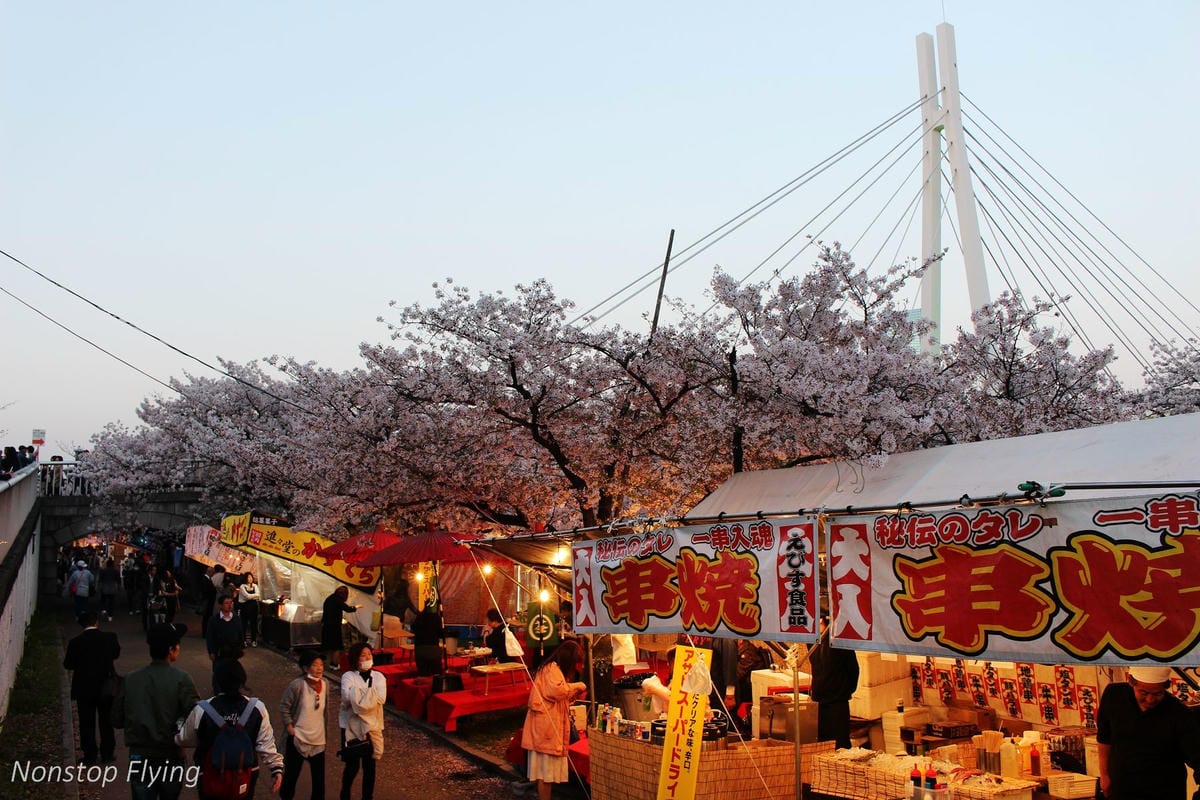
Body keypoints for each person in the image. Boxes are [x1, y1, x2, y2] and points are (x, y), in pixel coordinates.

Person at [176, 658, 284, 798]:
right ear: (242, 680)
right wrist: (276, 769)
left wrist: (178, 727)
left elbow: (184, 739)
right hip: (245, 777)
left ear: (217, 682)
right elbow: (266, 743)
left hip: (210, 776)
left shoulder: (202, 709)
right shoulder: (257, 708)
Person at [121, 622, 200, 800]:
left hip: (139, 754)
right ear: (171, 649)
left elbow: (116, 718)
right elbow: (195, 716)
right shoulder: (182, 679)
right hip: (170, 753)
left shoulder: (131, 679)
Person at [1097, 666, 1200, 800]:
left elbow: (1197, 757)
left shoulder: (1179, 714)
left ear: (1166, 687)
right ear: (1130, 681)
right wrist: (1104, 775)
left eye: (1158, 694)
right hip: (1121, 787)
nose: (1150, 699)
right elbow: (1104, 737)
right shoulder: (1114, 695)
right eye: (1144, 693)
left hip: (1164, 791)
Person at [521, 639, 587, 800]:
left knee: (544, 771)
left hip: (545, 725)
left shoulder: (550, 668)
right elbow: (558, 691)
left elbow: (557, 693)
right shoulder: (552, 669)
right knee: (546, 772)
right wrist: (579, 686)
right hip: (546, 728)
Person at [63, 610, 121, 765]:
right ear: (96, 622)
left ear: (81, 625)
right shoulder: (110, 638)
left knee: (86, 722)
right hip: (105, 686)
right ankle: (107, 752)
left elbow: (68, 664)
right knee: (106, 720)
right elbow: (116, 654)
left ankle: (90, 754)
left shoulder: (75, 642)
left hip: (84, 687)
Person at [280, 651, 331, 800]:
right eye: (315, 665)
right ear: (305, 668)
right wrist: (289, 726)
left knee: (319, 781)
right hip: (298, 738)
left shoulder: (325, 684)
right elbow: (284, 705)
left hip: (318, 739)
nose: (319, 668)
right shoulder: (297, 685)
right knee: (291, 776)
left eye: (321, 665)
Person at [339, 642, 387, 800]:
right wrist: (368, 696)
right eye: (363, 655)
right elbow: (346, 698)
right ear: (356, 658)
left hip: (371, 728)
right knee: (352, 766)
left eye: (369, 654)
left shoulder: (379, 677)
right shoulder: (348, 676)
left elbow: (381, 698)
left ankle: (368, 797)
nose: (367, 657)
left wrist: (358, 698)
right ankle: (345, 793)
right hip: (350, 728)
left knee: (370, 766)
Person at [808, 615, 860, 749]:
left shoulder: (840, 641)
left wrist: (843, 691)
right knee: (824, 745)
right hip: (819, 702)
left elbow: (853, 670)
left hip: (837, 703)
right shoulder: (813, 641)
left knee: (840, 745)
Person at [321, 586, 361, 670]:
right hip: (334, 627)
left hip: (326, 626)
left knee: (329, 646)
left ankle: (328, 664)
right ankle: (334, 664)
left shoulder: (330, 598)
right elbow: (348, 609)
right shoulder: (338, 600)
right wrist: (357, 607)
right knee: (337, 647)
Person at [411, 603, 446, 677]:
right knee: (436, 675)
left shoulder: (419, 617)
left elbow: (413, 629)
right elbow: (441, 634)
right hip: (433, 649)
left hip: (420, 649)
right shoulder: (437, 618)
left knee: (422, 674)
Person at [236, 572, 261, 647]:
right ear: (245, 578)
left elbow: (258, 595)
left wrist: (252, 596)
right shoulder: (242, 586)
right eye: (248, 577)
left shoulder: (255, 586)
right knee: (244, 624)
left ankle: (253, 640)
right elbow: (247, 596)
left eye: (251, 577)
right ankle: (243, 641)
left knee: (253, 624)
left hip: (253, 607)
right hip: (244, 607)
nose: (250, 579)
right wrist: (254, 596)